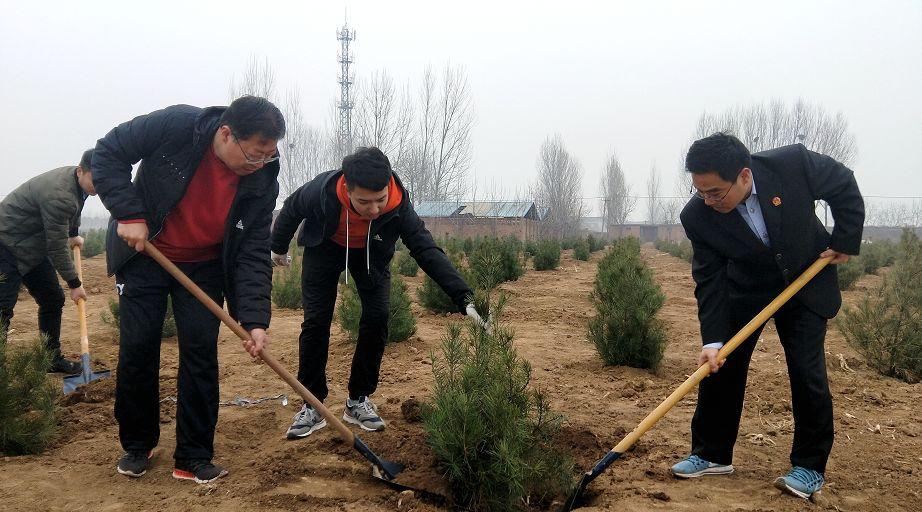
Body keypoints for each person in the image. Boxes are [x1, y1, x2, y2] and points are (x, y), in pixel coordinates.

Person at [93, 95, 285, 484]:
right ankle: (137, 444)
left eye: (269, 155)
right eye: (254, 155)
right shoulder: (177, 127)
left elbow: (251, 250)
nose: (260, 164)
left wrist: (254, 319)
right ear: (227, 134)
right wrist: (129, 214)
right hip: (146, 251)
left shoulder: (263, 179)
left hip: (205, 264)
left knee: (200, 351)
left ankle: (194, 455)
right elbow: (108, 152)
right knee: (139, 346)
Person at [671, 133, 864, 499]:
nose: (707, 201)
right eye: (700, 191)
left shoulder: (792, 164)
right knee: (720, 365)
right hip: (746, 288)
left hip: (806, 279)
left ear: (744, 176)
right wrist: (712, 341)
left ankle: (809, 466)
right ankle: (712, 454)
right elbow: (709, 278)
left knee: (807, 372)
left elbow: (843, 183)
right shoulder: (697, 216)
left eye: (715, 192)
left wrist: (845, 238)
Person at [271, 146, 482, 439]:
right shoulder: (322, 190)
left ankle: (358, 400)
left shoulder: (398, 205)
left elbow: (425, 247)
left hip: (372, 254)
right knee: (316, 321)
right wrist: (278, 247)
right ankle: (313, 404)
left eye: (379, 200)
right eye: (364, 202)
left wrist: (464, 297)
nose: (374, 209)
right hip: (326, 248)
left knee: (377, 317)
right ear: (347, 187)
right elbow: (292, 208)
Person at [0, 149, 96, 373]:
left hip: (31, 247)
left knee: (52, 298)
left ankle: (50, 358)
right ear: (81, 171)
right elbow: (56, 247)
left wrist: (73, 232)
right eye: (96, 180)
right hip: (5, 243)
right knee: (2, 308)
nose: (99, 187)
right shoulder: (59, 194)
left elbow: (76, 207)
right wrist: (75, 284)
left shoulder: (78, 183)